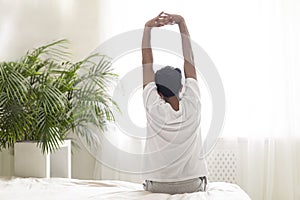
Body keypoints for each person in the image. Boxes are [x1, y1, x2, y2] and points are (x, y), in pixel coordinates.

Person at [142, 12, 208, 194]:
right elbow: (189, 59)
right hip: (192, 184)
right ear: (181, 87)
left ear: (158, 92)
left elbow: (146, 61)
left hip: (157, 185)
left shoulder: (153, 105)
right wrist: (181, 23)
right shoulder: (193, 103)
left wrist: (148, 28)